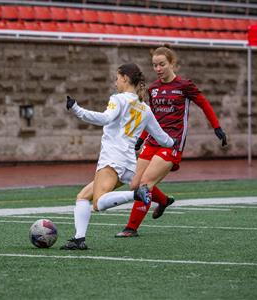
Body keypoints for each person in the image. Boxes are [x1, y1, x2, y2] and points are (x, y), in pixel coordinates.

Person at [60, 63, 177, 250]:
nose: (115, 82)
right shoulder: (145, 108)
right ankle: (78, 239)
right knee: (83, 197)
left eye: (117, 78)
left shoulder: (118, 99)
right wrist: (174, 144)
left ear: (124, 78)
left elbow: (105, 118)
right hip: (130, 163)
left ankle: (136, 194)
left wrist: (77, 110)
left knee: (98, 203)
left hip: (112, 159)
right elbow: (163, 138)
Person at [115, 45, 227, 238]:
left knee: (145, 185)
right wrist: (140, 140)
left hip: (172, 144)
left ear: (172, 63)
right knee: (134, 184)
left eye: (162, 64)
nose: (158, 69)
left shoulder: (184, 86)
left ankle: (131, 228)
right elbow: (151, 119)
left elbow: (204, 103)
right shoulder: (154, 89)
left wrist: (216, 127)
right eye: (155, 65)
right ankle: (164, 201)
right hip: (152, 141)